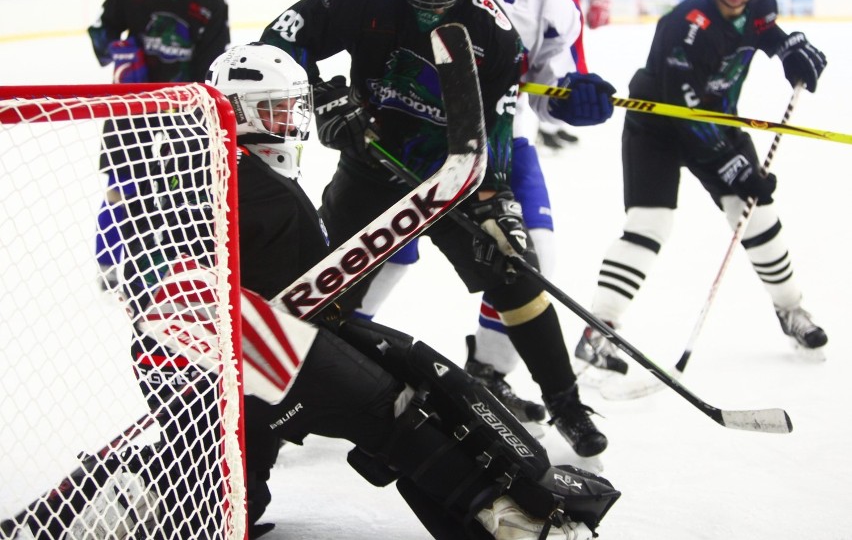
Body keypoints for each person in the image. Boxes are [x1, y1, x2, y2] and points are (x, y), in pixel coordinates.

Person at [2, 44, 621, 540]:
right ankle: (509, 517)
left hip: (216, 358)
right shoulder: (250, 183)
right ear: (238, 112)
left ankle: (113, 502)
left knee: (227, 507)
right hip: (235, 356)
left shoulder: (217, 165)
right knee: (397, 407)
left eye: (292, 104)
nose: (291, 120)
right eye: (274, 108)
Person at [259, 0, 614, 459]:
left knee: (516, 276)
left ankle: (566, 404)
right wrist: (321, 96)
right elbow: (277, 42)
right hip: (372, 170)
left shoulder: (491, 27)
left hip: (452, 176)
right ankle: (278, 412)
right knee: (322, 290)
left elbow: (497, 127)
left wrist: (497, 201)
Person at [575, 0, 829, 378]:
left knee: (756, 216)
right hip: (659, 126)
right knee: (649, 225)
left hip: (718, 121)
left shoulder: (760, 6)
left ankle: (792, 311)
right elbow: (684, 112)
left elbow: (766, 32)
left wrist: (789, 50)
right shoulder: (684, 25)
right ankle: (598, 331)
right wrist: (734, 167)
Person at [88, 0, 230, 290]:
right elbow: (103, 33)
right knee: (122, 186)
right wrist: (116, 49)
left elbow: (213, 63)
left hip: (183, 109)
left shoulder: (211, 0)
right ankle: (108, 263)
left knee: (183, 188)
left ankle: (172, 265)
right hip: (131, 106)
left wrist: (191, 99)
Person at [537, 0, 610, 150]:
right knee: (552, 69)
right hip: (552, 22)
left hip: (576, 20)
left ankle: (557, 126)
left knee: (573, 69)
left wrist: (596, 2)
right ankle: (544, 128)